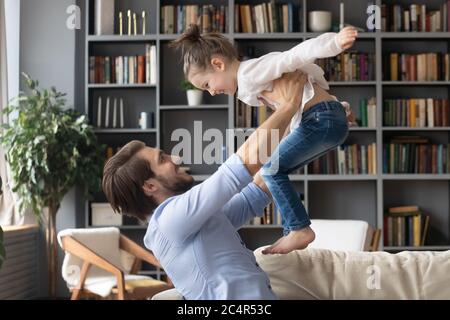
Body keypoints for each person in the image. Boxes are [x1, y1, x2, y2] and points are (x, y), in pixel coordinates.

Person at [102, 71, 306, 300]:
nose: (175, 159)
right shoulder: (169, 221)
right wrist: (289, 104)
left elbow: (259, 187)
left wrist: (305, 129)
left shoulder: (194, 221)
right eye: (162, 159)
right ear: (149, 186)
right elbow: (241, 166)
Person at [169, 24, 358, 254]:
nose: (211, 92)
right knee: (275, 169)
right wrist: (339, 109)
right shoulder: (249, 89)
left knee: (270, 170)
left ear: (218, 64)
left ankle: (299, 229)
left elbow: (294, 56)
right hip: (328, 118)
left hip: (320, 118)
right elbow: (300, 98)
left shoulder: (250, 73)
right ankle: (293, 230)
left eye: (207, 85)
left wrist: (335, 42)